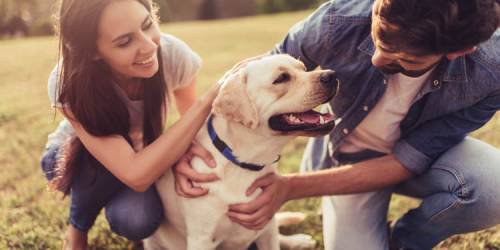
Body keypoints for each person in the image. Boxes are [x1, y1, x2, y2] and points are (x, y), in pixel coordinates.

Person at [174, 0, 500, 249]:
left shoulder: (492, 72)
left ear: (458, 51)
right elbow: (256, 74)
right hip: (345, 154)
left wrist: (290, 187)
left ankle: (404, 240)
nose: (376, 60)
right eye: (378, 35)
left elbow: (409, 159)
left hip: (422, 160)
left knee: (494, 189)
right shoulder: (338, 19)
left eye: (405, 59)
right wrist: (191, 145)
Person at [39, 0, 220, 249]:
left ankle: (112, 198)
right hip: (72, 160)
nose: (149, 46)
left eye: (148, 25)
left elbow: (193, 130)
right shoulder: (67, 82)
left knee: (137, 219)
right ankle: (77, 231)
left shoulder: (172, 54)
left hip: (138, 157)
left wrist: (183, 158)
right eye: (125, 42)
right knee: (103, 165)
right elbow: (136, 174)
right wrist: (206, 102)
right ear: (93, 51)